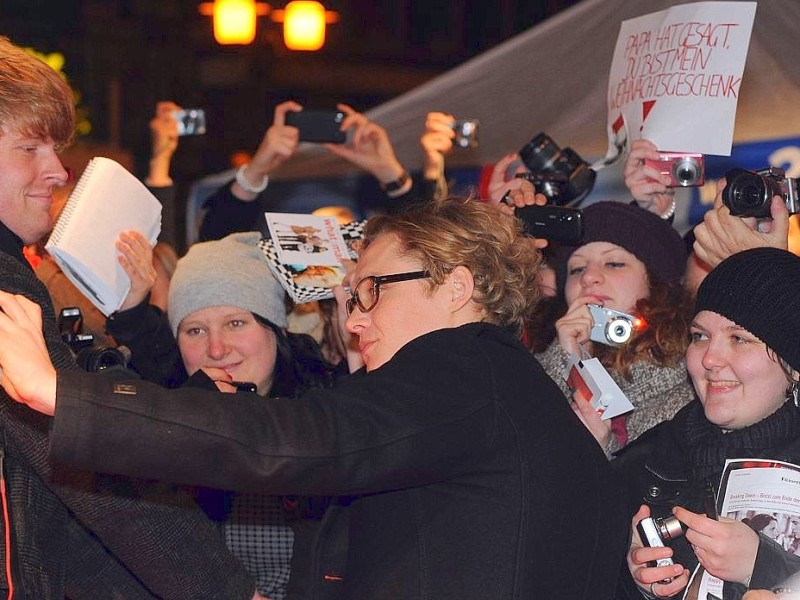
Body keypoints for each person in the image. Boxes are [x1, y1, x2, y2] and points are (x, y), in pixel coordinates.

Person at [0, 196, 628, 599]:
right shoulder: (502, 389)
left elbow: (294, 441)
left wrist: (65, 394)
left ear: (456, 287)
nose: (354, 321)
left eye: (372, 290)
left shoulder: (461, 369)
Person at [0, 35, 261, 599]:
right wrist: (226, 590)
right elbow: (79, 463)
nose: (57, 171)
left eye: (57, 149)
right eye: (31, 149)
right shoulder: (6, 285)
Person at [614, 248, 800, 600]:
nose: (710, 359)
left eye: (739, 339)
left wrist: (762, 566)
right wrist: (634, 580)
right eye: (699, 336)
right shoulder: (644, 464)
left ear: (793, 365)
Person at [533, 200, 696, 456]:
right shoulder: (533, 371)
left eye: (614, 264)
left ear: (656, 282)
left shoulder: (693, 387)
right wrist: (570, 359)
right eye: (576, 269)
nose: (588, 277)